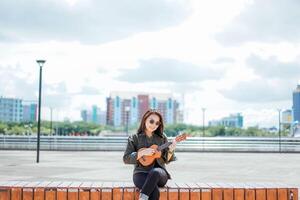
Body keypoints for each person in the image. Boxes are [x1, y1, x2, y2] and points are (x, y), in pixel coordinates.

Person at [123, 109, 177, 200]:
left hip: (160, 174)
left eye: (157, 123)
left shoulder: (162, 138)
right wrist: (142, 153)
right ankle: (143, 197)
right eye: (151, 121)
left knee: (155, 172)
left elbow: (167, 160)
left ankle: (142, 198)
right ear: (145, 120)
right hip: (140, 173)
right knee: (154, 191)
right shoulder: (134, 138)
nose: (154, 125)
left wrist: (171, 150)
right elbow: (126, 158)